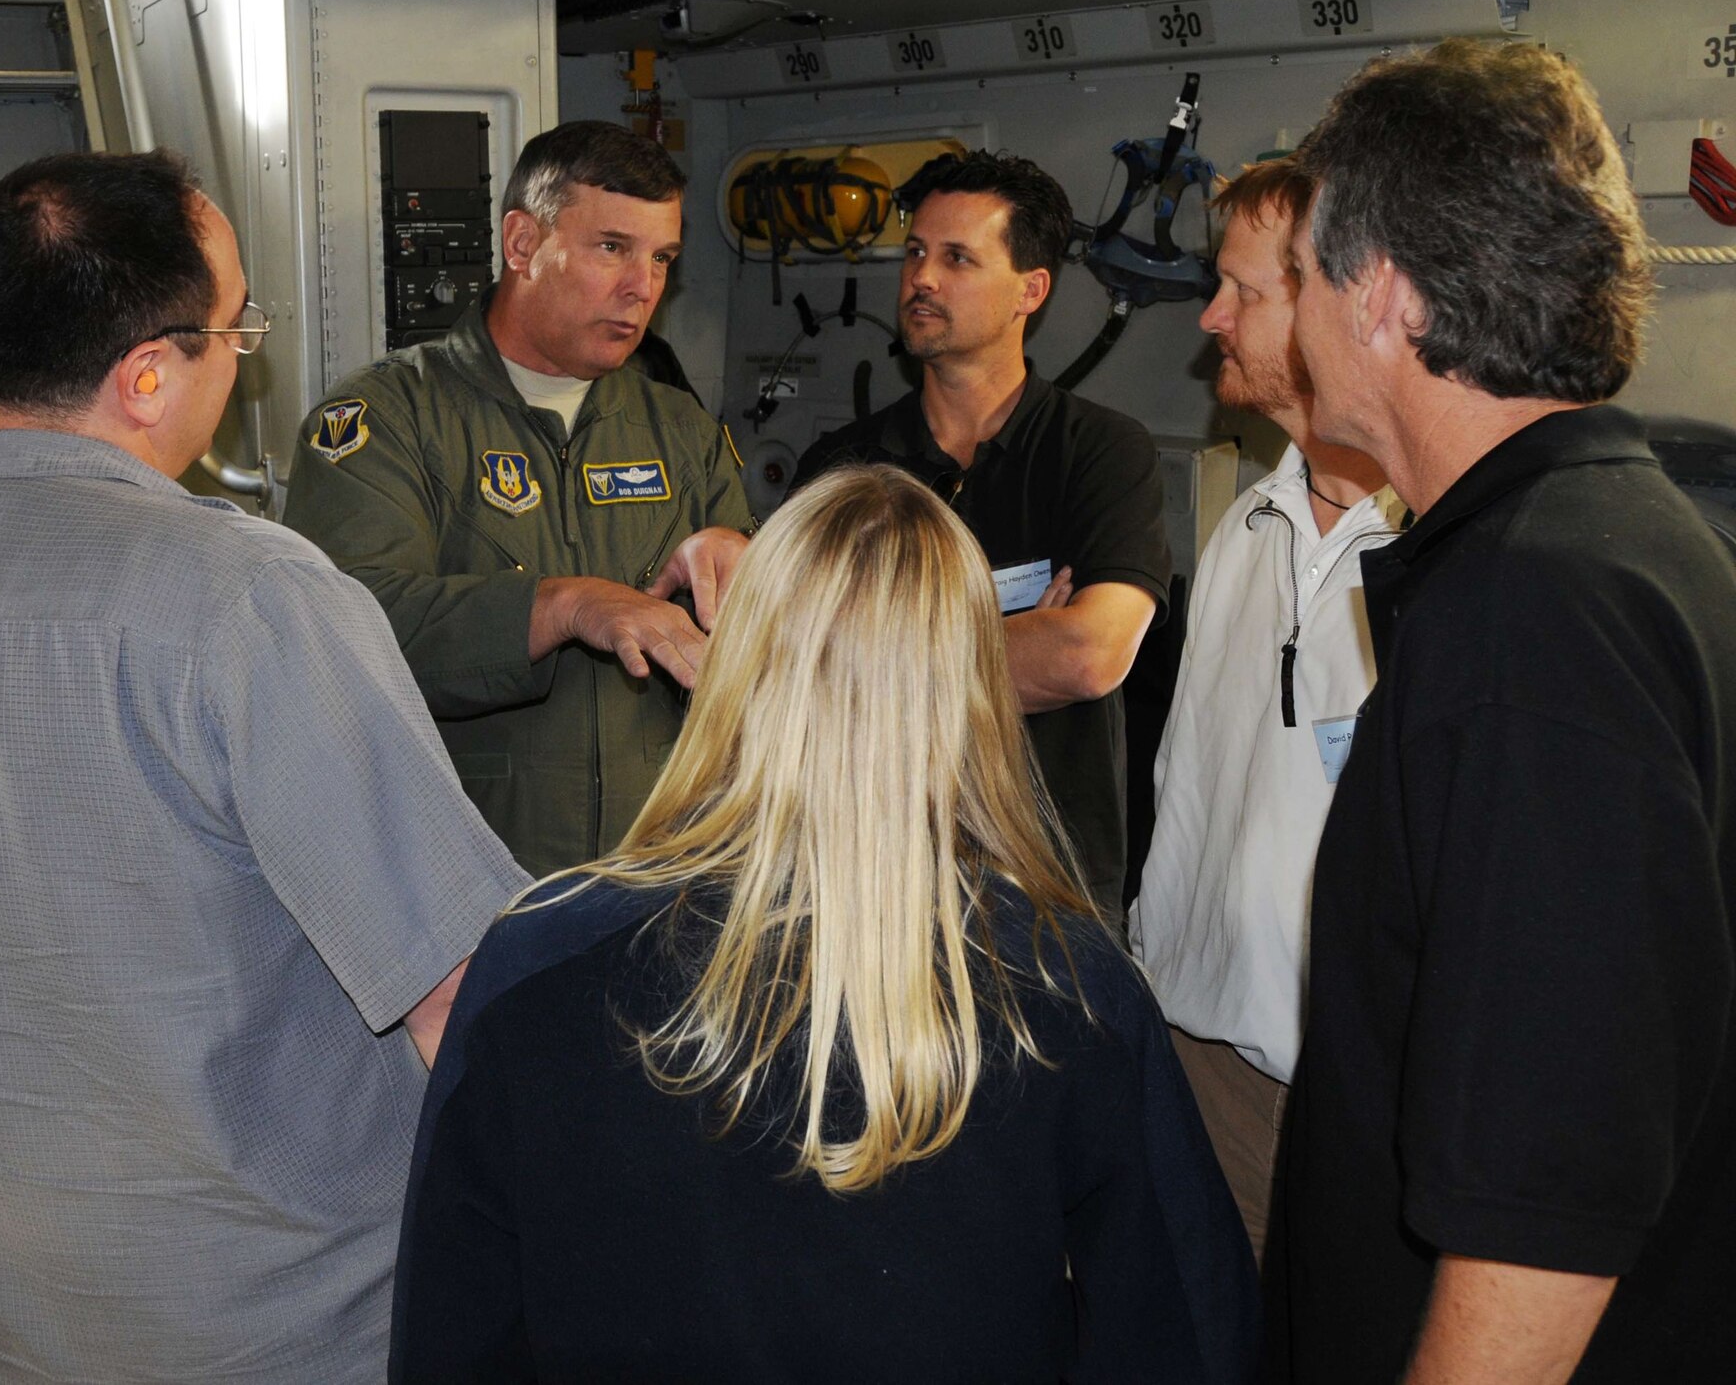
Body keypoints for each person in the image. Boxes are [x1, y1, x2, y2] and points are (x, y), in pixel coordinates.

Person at [0, 150, 528, 1383]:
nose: (244, 358)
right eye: (236, 328)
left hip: (32, 1338)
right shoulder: (250, 600)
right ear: (144, 376)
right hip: (319, 1341)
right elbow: (463, 997)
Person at [392, 465, 1258, 1383]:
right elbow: (1188, 1340)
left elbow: (454, 1332)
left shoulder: (536, 960)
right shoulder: (1069, 988)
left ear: (741, 663)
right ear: (966, 686)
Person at [1268, 39, 1736, 1383]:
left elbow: (1545, 1208)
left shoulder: (1533, 620)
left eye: (1302, 275)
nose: (1288, 316)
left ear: (1384, 302)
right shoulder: (1635, 542)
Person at [283, 120, 755, 879]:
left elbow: (773, 665)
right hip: (464, 894)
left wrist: (748, 566)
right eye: (612, 248)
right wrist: (560, 605)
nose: (645, 286)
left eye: (662, 257)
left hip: (660, 883)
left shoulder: (680, 430)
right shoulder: (388, 421)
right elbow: (345, 638)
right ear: (523, 245)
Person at [1129, 158, 1403, 1261]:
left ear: (1330, 300)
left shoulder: (1427, 551)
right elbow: (1186, 784)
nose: (1209, 317)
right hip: (1193, 1048)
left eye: (1242, 291)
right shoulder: (1245, 527)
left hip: (1341, 1088)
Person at [793, 151, 1171, 924]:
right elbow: (799, 672)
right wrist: (1016, 639)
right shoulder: (843, 468)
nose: (922, 278)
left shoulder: (1099, 451)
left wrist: (877, 655)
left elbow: (1089, 654)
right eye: (917, 253)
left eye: (958, 258)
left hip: (1046, 890)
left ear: (1030, 289)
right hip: (873, 884)